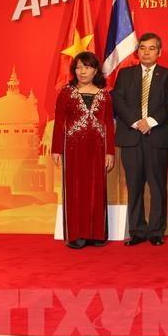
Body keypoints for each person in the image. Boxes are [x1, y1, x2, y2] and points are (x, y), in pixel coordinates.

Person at [113, 33, 168, 247]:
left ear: (159, 52)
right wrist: (135, 122)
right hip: (131, 137)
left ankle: (156, 231)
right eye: (143, 48)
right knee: (134, 186)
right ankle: (137, 231)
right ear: (137, 51)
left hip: (156, 136)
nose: (147, 52)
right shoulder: (125, 74)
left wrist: (150, 121)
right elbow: (119, 101)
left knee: (157, 186)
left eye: (151, 48)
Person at [51, 51, 115, 249]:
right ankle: (76, 234)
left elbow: (108, 125)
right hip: (72, 148)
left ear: (95, 70)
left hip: (97, 149)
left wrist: (110, 152)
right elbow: (60, 122)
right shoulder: (66, 92)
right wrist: (56, 149)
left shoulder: (104, 95)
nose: (82, 71)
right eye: (78, 67)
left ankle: (96, 233)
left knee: (97, 188)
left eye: (86, 67)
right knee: (75, 189)